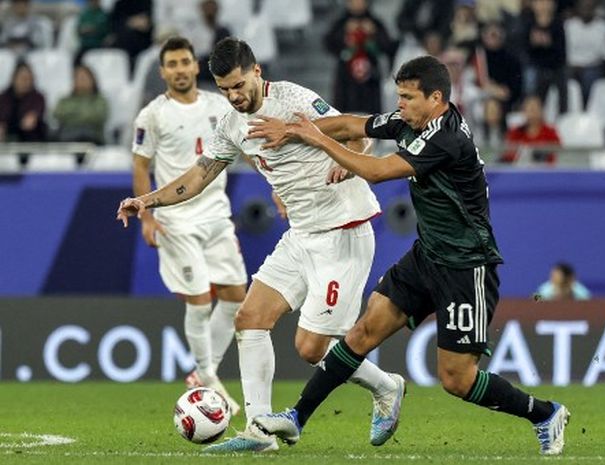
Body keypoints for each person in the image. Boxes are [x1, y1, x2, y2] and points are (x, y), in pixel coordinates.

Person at [249, 55, 570, 456]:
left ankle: (544, 413)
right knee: (362, 332)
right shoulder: (412, 120)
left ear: (435, 98)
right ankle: (296, 418)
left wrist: (314, 139)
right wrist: (295, 128)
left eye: (407, 97)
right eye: (398, 96)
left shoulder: (447, 139)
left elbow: (379, 171)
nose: (399, 104)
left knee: (457, 379)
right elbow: (353, 124)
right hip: (427, 255)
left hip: (465, 265)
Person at [116, 37, 403, 453]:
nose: (233, 96)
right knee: (250, 318)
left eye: (238, 85)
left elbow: (355, 130)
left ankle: (387, 387)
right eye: (225, 88)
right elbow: (197, 177)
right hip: (301, 235)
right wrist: (147, 201)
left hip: (343, 228)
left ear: (256, 73)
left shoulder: (292, 99)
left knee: (310, 348)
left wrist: (347, 160)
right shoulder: (232, 125)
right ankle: (258, 431)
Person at [130, 36, 248, 414]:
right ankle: (205, 373)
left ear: (195, 66)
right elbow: (140, 166)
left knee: (235, 298)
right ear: (162, 71)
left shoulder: (219, 105)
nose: (180, 69)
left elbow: (245, 145)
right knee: (199, 299)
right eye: (172, 64)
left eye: (185, 62)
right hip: (176, 220)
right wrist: (147, 216)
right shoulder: (152, 115)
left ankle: (204, 371)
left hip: (216, 214)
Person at [54, 64, 109, 145]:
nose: (81, 80)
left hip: (92, 137)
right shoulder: (65, 100)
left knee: (84, 133)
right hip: (67, 136)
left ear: (92, 80)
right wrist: (85, 114)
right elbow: (58, 114)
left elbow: (99, 116)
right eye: (78, 78)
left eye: (84, 77)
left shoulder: (100, 100)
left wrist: (72, 115)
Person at [502, 94, 560, 164]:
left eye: (535, 109)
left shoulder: (550, 132)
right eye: (530, 109)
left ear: (541, 111)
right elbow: (508, 155)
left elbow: (558, 153)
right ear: (524, 111)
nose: (533, 112)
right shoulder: (515, 132)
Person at [0, 61, 47, 143]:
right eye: (22, 78)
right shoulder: (4, 97)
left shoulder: (37, 97)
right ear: (13, 78)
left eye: (28, 79)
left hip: (30, 140)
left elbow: (30, 120)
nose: (25, 82)